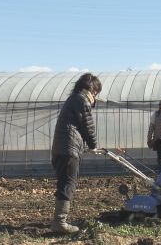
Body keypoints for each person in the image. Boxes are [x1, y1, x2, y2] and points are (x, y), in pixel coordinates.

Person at [50, 73, 102, 233]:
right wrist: (93, 145)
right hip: (68, 150)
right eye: (96, 92)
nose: (95, 96)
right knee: (68, 184)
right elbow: (87, 125)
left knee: (65, 182)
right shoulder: (81, 99)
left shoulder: (73, 98)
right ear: (90, 89)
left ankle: (59, 221)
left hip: (62, 149)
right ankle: (60, 223)